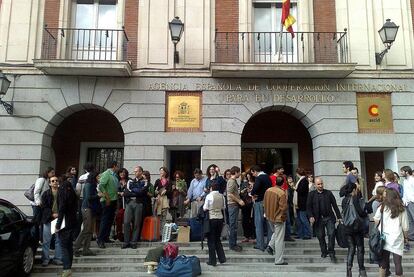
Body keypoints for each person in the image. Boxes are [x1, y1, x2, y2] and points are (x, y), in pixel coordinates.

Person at [374, 188, 409, 277]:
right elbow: (405, 227)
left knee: (384, 261)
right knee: (397, 262)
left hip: (384, 237)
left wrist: (380, 226)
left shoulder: (382, 206)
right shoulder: (401, 208)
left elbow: (376, 219)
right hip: (397, 237)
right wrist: (406, 238)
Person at [307, 177, 342, 262]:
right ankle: (324, 251)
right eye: (318, 184)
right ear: (315, 185)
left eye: (321, 184)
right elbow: (308, 207)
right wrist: (311, 216)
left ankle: (331, 252)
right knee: (321, 236)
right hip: (318, 219)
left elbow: (334, 205)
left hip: (329, 217)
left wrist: (339, 217)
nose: (320, 185)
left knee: (331, 234)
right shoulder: (311, 194)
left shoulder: (328, 193)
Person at [342, 183, 367, 277]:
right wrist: (365, 214)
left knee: (351, 248)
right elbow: (360, 212)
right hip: (356, 227)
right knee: (360, 248)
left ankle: (349, 271)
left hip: (347, 227)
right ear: (353, 190)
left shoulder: (344, 200)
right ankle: (362, 271)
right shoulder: (355, 198)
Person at [74, 171, 100, 257]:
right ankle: (76, 248)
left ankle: (86, 249)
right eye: (98, 176)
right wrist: (99, 195)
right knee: (86, 229)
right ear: (94, 177)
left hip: (91, 209)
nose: (99, 178)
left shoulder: (93, 185)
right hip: (87, 208)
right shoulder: (89, 185)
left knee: (90, 230)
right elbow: (88, 197)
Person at [55, 180, 78, 277]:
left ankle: (66, 269)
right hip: (73, 223)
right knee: (69, 247)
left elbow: (61, 212)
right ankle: (68, 268)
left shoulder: (62, 196)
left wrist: (57, 226)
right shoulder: (73, 196)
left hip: (64, 224)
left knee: (64, 247)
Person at [264, 176, 288, 265]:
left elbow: (264, 203)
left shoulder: (268, 190)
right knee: (279, 239)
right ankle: (278, 260)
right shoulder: (281, 193)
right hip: (278, 218)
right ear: (283, 183)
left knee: (276, 233)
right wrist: (284, 217)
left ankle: (270, 246)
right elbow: (284, 207)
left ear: (275, 182)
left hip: (269, 216)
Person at [122, 166, 148, 249]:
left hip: (139, 203)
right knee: (126, 222)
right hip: (130, 203)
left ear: (141, 172)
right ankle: (126, 242)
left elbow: (142, 192)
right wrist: (136, 191)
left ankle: (133, 242)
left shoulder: (145, 181)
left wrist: (133, 190)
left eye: (136, 171)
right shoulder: (130, 181)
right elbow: (126, 193)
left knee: (137, 223)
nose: (135, 173)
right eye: (134, 171)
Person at [40, 175, 62, 266]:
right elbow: (44, 207)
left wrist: (60, 214)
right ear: (49, 183)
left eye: (56, 180)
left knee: (59, 240)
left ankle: (57, 258)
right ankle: (45, 259)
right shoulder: (46, 193)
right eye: (52, 181)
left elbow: (65, 205)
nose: (55, 182)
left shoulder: (62, 193)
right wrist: (52, 214)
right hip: (48, 219)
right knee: (46, 241)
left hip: (59, 219)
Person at [97, 161, 120, 248]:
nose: (118, 168)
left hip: (113, 200)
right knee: (105, 220)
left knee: (110, 220)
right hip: (107, 200)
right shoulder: (106, 174)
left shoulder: (114, 175)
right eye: (117, 166)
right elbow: (101, 185)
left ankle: (106, 237)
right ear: (114, 166)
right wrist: (106, 196)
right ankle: (100, 239)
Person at [203, 181, 226, 266]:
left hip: (212, 218)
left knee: (211, 240)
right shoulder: (222, 196)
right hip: (220, 218)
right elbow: (224, 207)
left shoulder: (209, 196)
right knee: (217, 239)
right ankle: (222, 258)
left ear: (211, 188)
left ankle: (212, 261)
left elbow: (205, 208)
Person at [250, 165, 272, 251]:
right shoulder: (268, 177)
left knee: (258, 223)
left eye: (253, 173)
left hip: (259, 202)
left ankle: (260, 244)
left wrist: (252, 193)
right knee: (269, 223)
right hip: (268, 202)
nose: (253, 175)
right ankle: (270, 244)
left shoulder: (259, 178)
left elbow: (254, 189)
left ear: (255, 171)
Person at [31, 167, 55, 242]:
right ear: (47, 173)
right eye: (52, 172)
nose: (53, 174)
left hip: (43, 205)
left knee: (41, 222)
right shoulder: (41, 180)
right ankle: (34, 239)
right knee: (36, 222)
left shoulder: (48, 180)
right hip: (37, 204)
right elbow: (36, 191)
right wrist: (38, 202)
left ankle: (40, 239)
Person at [226, 166, 245, 252]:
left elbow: (232, 193)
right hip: (232, 205)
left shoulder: (233, 181)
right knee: (233, 225)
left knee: (234, 225)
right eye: (239, 172)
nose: (240, 174)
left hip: (234, 205)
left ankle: (233, 244)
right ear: (236, 172)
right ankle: (232, 244)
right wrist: (239, 200)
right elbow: (229, 194)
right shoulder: (231, 181)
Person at [155, 167, 172, 237]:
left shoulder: (168, 182)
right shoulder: (157, 181)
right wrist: (157, 192)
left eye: (162, 171)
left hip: (165, 200)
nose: (161, 173)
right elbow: (154, 191)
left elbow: (170, 192)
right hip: (158, 200)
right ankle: (157, 232)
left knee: (164, 217)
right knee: (158, 216)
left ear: (165, 172)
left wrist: (166, 191)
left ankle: (163, 233)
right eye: (160, 171)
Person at [295, 168, 312, 240]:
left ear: (297, 173)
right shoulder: (302, 180)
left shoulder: (304, 180)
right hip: (299, 203)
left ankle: (308, 234)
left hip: (303, 203)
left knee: (303, 219)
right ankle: (301, 234)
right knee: (299, 219)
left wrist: (295, 188)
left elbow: (301, 191)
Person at [240, 172, 255, 243]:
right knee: (245, 220)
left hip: (253, 204)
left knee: (253, 220)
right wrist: (245, 191)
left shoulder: (255, 183)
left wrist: (252, 190)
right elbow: (241, 193)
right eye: (247, 177)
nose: (248, 178)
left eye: (250, 177)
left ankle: (253, 236)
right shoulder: (243, 183)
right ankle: (246, 236)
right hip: (246, 204)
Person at [401, 166, 414, 244]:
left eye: (402, 171)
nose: (401, 173)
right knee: (410, 220)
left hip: (412, 202)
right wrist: (404, 201)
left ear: (406, 172)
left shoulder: (412, 180)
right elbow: (405, 192)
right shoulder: (405, 181)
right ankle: (411, 236)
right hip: (406, 203)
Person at [115, 168, 129, 241]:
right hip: (119, 203)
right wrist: (119, 193)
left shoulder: (129, 180)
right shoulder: (116, 181)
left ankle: (127, 234)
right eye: (121, 172)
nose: (122, 174)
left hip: (127, 202)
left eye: (124, 172)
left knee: (127, 219)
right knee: (119, 218)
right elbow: (114, 190)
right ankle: (119, 234)